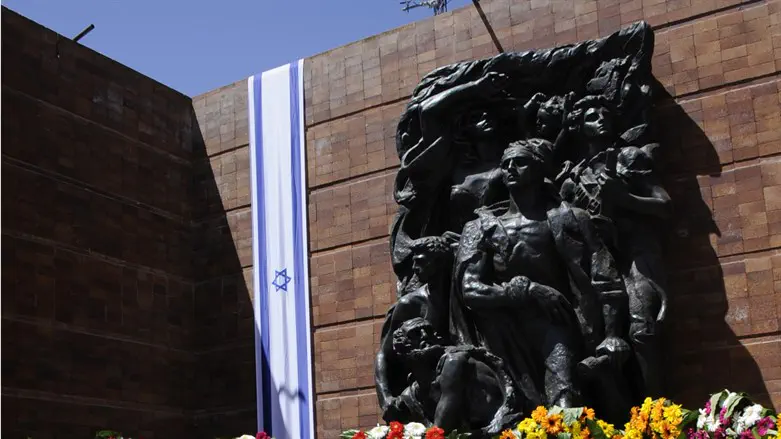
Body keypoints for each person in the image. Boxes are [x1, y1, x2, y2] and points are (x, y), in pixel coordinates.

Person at [451, 139, 630, 412]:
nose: (511, 168)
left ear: (539, 169)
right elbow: (470, 289)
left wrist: (613, 334)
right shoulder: (479, 228)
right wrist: (527, 290)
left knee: (564, 400)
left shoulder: (571, 219)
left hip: (556, 324)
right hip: (504, 333)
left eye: (520, 162)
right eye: (506, 164)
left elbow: (605, 277)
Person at [559, 96, 671, 398]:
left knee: (642, 328)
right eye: (591, 116)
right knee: (592, 340)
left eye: (605, 114)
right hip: (596, 261)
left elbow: (664, 205)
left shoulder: (630, 157)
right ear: (579, 127)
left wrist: (625, 198)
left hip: (635, 254)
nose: (601, 119)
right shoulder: (572, 178)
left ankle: (658, 412)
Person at [386, 318, 519, 435]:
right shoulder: (413, 392)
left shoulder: (454, 361)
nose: (425, 335)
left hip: (504, 430)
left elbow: (441, 428)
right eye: (415, 334)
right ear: (402, 347)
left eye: (429, 331)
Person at [375, 236, 455, 418]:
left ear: (438, 262)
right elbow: (385, 354)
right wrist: (386, 398)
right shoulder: (411, 304)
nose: (414, 268)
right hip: (428, 389)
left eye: (420, 261)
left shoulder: (459, 295)